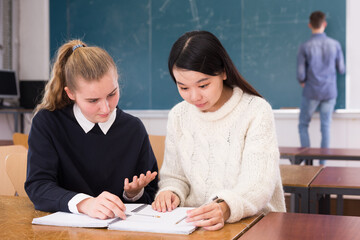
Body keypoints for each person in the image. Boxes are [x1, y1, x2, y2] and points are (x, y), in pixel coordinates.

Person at [152, 30, 286, 230]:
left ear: (223, 72)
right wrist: (170, 192)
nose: (194, 96)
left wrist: (225, 208)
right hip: (195, 225)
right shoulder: (178, 116)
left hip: (253, 224)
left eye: (203, 85)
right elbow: (175, 176)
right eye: (183, 88)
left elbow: (257, 184)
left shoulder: (256, 111)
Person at [25, 40, 158, 220]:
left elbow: (152, 195)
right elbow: (39, 186)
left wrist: (133, 195)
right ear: (71, 94)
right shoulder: (48, 123)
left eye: (112, 94)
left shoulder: (133, 129)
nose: (105, 108)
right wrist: (85, 204)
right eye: (93, 100)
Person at [297, 11, 345, 165]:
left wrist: (303, 80)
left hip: (311, 91)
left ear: (310, 25)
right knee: (326, 127)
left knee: (303, 124)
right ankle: (323, 166)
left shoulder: (305, 47)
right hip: (329, 92)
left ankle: (308, 164)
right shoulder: (335, 45)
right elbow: (342, 69)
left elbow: (300, 74)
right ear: (324, 24)